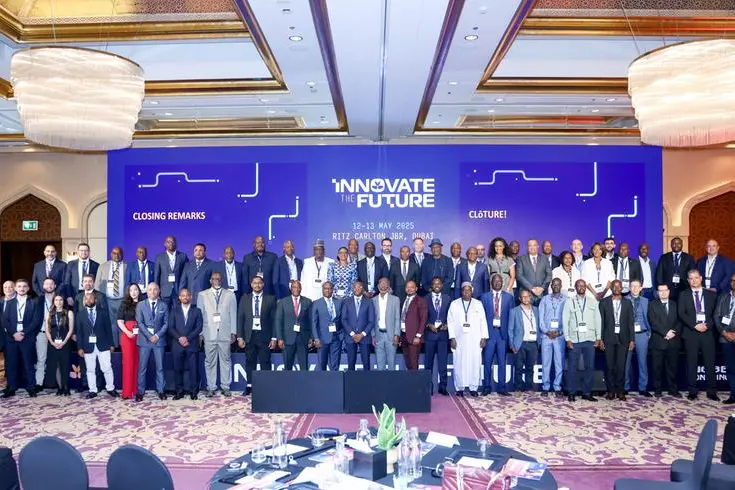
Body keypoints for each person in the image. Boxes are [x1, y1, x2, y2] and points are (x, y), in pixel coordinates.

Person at [679, 269, 718, 401]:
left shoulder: (711, 294)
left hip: (707, 333)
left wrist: (707, 325)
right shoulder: (683, 295)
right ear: (688, 280)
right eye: (691, 278)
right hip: (691, 333)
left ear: (701, 278)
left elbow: (715, 314)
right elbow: (681, 313)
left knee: (710, 363)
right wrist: (695, 325)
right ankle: (692, 391)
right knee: (692, 363)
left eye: (696, 278)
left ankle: (712, 392)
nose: (694, 281)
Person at [199, 272, 237, 397]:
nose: (217, 281)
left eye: (219, 279)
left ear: (222, 280)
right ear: (210, 280)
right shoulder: (202, 295)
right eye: (214, 279)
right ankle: (211, 387)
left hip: (225, 333)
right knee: (209, 361)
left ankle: (225, 386)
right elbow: (200, 316)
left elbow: (233, 314)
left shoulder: (230, 295)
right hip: (209, 333)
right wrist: (201, 333)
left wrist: (233, 332)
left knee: (226, 360)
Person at [2, 279, 43, 398]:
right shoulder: (10, 302)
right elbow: (5, 320)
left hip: (27, 337)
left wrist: (23, 333)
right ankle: (11, 388)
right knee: (11, 364)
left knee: (28, 363)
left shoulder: (34, 302)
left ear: (28, 288)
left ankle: (31, 387)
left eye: (24, 286)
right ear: (15, 288)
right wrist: (14, 333)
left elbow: (36, 320)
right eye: (19, 286)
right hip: (11, 338)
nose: (22, 288)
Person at [563, 279, 601, 402]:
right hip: (575, 339)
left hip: (590, 339)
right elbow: (565, 320)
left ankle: (586, 392)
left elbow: (597, 319)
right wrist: (567, 338)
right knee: (572, 367)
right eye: (579, 285)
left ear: (586, 287)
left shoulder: (592, 301)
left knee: (589, 367)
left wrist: (598, 337)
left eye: (583, 285)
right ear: (575, 287)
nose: (581, 287)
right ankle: (571, 392)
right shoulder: (569, 301)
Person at [237, 275, 277, 395]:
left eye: (259, 283)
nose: (257, 285)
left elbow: (274, 320)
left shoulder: (270, 299)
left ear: (263, 285)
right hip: (249, 335)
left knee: (265, 361)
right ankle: (250, 385)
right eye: (255, 283)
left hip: (264, 335)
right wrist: (240, 337)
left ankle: (266, 386)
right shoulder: (244, 299)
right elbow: (240, 319)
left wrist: (274, 338)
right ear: (251, 285)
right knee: (250, 361)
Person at [448, 282, 488, 396]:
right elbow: (450, 322)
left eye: (468, 290)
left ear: (472, 291)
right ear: (461, 291)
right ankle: (459, 388)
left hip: (475, 339)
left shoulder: (478, 304)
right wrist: (452, 337)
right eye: (464, 290)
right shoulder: (454, 304)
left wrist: (484, 337)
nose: (466, 292)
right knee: (459, 362)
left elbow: (483, 321)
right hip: (459, 339)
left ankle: (473, 388)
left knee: (475, 362)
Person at [76, 292, 118, 399]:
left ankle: (110, 388)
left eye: (91, 298)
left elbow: (108, 329)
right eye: (86, 298)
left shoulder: (103, 312)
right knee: (90, 369)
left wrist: (111, 344)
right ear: (84, 301)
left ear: (95, 300)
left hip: (103, 345)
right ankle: (92, 390)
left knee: (107, 368)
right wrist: (79, 347)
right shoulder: (80, 314)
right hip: (87, 346)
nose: (88, 300)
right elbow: (79, 333)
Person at [600, 280, 635, 401]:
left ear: (622, 288)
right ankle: (610, 391)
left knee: (621, 367)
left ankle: (620, 391)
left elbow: (631, 322)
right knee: (609, 366)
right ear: (611, 288)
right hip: (608, 338)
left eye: (618, 287)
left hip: (624, 339)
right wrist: (600, 339)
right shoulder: (604, 302)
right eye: (614, 287)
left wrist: (632, 339)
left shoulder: (627, 303)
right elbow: (601, 322)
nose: (616, 289)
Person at [480, 274, 513, 396]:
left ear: (503, 283)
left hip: (502, 335)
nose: (497, 283)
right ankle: (486, 387)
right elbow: (481, 318)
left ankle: (502, 387)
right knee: (487, 361)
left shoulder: (509, 298)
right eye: (495, 281)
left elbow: (511, 318)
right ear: (491, 283)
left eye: (500, 281)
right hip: (489, 334)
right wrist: (482, 335)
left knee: (502, 362)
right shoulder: (484, 297)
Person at [135, 283, 169, 401]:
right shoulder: (140, 305)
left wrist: (157, 336)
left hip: (159, 341)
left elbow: (166, 323)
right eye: (150, 289)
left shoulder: (164, 305)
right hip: (145, 341)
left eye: (155, 289)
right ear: (147, 291)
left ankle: (161, 390)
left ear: (159, 291)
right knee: (142, 367)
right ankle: (140, 391)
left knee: (160, 367)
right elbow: (140, 323)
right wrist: (150, 336)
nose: (153, 292)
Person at [647, 284, 682, 398]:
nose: (663, 292)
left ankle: (673, 389)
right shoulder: (652, 305)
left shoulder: (675, 304)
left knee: (673, 367)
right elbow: (653, 322)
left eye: (665, 290)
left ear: (669, 291)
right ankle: (657, 389)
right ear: (657, 293)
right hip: (658, 341)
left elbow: (680, 321)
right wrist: (665, 333)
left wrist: (673, 333)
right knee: (657, 368)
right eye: (660, 291)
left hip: (673, 341)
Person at [169, 288, 203, 400]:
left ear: (191, 297)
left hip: (192, 343)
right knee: (177, 369)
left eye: (187, 295)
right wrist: (179, 338)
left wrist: (187, 338)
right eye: (183, 295)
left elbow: (199, 327)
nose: (185, 297)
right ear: (179, 297)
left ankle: (193, 392)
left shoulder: (197, 311)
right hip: (177, 344)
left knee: (193, 369)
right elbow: (170, 327)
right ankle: (179, 392)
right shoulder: (174, 310)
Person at [276, 280, 312, 371]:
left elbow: (311, 321)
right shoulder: (283, 302)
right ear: (291, 289)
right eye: (294, 287)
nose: (296, 289)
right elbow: (278, 321)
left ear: (301, 289)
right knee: (288, 366)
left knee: (304, 366)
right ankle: (287, 381)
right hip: (287, 338)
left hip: (303, 337)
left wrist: (311, 337)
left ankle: (303, 380)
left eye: (298, 287)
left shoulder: (307, 302)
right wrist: (279, 338)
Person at [624, 280, 652, 397]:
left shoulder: (646, 301)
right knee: (626, 363)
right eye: (633, 286)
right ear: (629, 288)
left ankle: (642, 387)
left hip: (642, 334)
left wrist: (648, 333)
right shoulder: (624, 300)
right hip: (627, 335)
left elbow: (650, 318)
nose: (635, 288)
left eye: (637, 286)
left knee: (642, 362)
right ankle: (625, 387)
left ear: (641, 288)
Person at [538, 278, 566, 396]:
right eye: (554, 284)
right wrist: (546, 331)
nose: (556, 286)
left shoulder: (566, 300)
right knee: (546, 362)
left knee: (559, 362)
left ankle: (557, 387)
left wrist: (561, 332)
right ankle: (545, 387)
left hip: (559, 336)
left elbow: (568, 318)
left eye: (558, 284)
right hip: (546, 336)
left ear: (561, 286)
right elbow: (540, 318)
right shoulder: (544, 299)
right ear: (551, 286)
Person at [508, 290, 540, 392]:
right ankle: (518, 388)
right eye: (523, 297)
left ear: (530, 297)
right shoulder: (514, 311)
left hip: (533, 343)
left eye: (527, 296)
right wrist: (512, 344)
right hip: (520, 343)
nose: (526, 299)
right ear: (520, 298)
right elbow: (510, 329)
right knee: (518, 367)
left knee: (530, 368)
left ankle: (528, 387)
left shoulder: (536, 310)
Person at [95, 247, 126, 348]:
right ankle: (113, 345)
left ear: (122, 254)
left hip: (123, 300)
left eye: (119, 253)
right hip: (107, 300)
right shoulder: (103, 266)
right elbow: (97, 284)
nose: (117, 255)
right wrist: (99, 299)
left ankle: (122, 345)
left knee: (122, 322)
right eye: (114, 253)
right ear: (111, 254)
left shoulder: (127, 266)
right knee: (111, 323)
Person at [340, 280, 375, 371]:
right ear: (352, 288)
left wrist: (362, 334)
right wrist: (352, 334)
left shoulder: (369, 302)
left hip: (364, 337)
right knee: (351, 363)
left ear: (363, 289)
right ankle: (351, 380)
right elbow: (343, 319)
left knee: (366, 363)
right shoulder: (346, 301)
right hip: (350, 336)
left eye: (359, 287)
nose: (357, 289)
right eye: (355, 287)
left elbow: (371, 321)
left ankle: (367, 380)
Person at [425, 277, 451, 395]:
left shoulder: (447, 298)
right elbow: (422, 316)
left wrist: (448, 325)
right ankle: (428, 387)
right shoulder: (425, 299)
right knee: (428, 363)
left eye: (439, 284)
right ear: (431, 286)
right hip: (430, 335)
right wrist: (428, 324)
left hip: (443, 335)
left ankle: (443, 386)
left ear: (442, 285)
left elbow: (451, 315)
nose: (437, 286)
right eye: (434, 284)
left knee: (443, 362)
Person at [116, 284, 142, 400]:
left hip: (140, 335)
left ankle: (136, 390)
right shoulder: (124, 304)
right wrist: (127, 332)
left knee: (138, 363)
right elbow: (119, 321)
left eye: (135, 290)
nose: (134, 292)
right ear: (128, 292)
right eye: (131, 290)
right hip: (127, 336)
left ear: (139, 291)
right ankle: (127, 392)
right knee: (128, 363)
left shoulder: (143, 303)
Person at [310, 281, 343, 371]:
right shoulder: (316, 303)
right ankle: (322, 380)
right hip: (322, 339)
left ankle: (335, 380)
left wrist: (341, 335)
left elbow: (342, 319)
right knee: (322, 365)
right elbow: (314, 322)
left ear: (332, 290)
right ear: (322, 290)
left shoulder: (339, 302)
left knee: (335, 366)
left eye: (329, 288)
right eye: (325, 288)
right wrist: (316, 338)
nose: (327, 290)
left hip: (336, 338)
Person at [44, 294, 74, 396]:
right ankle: (60, 387)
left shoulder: (69, 313)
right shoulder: (49, 314)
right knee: (55, 366)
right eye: (56, 300)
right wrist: (52, 342)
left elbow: (70, 330)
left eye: (61, 300)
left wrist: (64, 342)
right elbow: (47, 330)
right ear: (53, 302)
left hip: (65, 343)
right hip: (53, 344)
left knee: (65, 365)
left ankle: (66, 387)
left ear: (63, 301)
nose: (58, 302)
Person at [371, 277, 400, 371]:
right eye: (381, 283)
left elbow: (397, 318)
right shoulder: (373, 300)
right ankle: (381, 381)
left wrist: (396, 335)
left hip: (391, 336)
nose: (383, 286)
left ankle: (391, 381)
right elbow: (371, 319)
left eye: (385, 283)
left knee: (391, 365)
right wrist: (373, 335)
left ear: (389, 286)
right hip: (378, 335)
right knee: (380, 366)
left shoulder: (395, 300)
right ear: (378, 286)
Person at [655, 236, 695, 301]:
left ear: (682, 244)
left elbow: (692, 274)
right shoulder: (664, 257)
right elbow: (659, 274)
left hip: (684, 290)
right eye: (674, 243)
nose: (676, 245)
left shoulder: (689, 258)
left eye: (678, 243)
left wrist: (691, 288)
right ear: (671, 245)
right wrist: (660, 289)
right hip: (667, 291)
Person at [153, 235, 188, 309]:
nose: (171, 243)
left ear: (176, 243)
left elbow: (186, 275)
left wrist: (184, 290)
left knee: (178, 312)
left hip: (178, 291)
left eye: (172, 241)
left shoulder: (183, 256)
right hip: (164, 292)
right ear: (165, 244)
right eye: (168, 242)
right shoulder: (159, 257)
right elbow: (157, 276)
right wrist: (156, 292)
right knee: (164, 313)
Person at [715, 273, 735, 405]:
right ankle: (733, 395)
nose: (734, 282)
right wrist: (724, 332)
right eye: (732, 280)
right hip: (725, 338)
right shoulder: (723, 296)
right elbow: (716, 316)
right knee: (730, 368)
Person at [34, 277, 56, 393]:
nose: (49, 286)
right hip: (42, 333)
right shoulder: (38, 300)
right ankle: (39, 383)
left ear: (55, 286)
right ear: (43, 286)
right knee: (41, 359)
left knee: (56, 359)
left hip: (56, 334)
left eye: (51, 284)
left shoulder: (59, 299)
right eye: (47, 284)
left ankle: (57, 382)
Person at [401, 280, 427, 370]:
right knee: (407, 362)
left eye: (412, 287)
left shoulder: (421, 301)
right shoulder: (403, 300)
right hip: (403, 335)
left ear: (416, 288)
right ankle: (410, 379)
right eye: (407, 287)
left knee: (413, 362)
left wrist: (418, 336)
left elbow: (423, 319)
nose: (409, 289)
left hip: (414, 337)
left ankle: (415, 379)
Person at [516, 239, 552, 306]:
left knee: (542, 312)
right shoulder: (521, 259)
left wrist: (542, 288)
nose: (532, 247)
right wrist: (532, 288)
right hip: (527, 294)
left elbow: (549, 274)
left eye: (534, 245)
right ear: (527, 247)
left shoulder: (544, 258)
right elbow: (519, 276)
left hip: (542, 293)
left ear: (538, 247)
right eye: (530, 245)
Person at [63, 243, 100, 307]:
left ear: (89, 252)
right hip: (75, 294)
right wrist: (69, 296)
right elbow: (67, 281)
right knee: (76, 312)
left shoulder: (96, 265)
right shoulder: (71, 264)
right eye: (81, 250)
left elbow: (97, 281)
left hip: (91, 294)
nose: (84, 252)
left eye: (86, 250)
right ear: (78, 251)